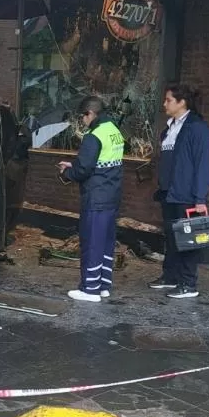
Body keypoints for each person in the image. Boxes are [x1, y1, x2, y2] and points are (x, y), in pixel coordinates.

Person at [57, 96, 124, 302]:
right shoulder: (114, 131)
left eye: (83, 117)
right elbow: (100, 163)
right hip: (112, 196)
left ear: (90, 113)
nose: (83, 121)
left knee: (92, 242)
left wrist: (66, 173)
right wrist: (75, 166)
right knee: (105, 242)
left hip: (95, 198)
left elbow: (84, 169)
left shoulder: (94, 135)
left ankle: (90, 289)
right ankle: (103, 285)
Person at [150, 84, 209, 299]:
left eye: (168, 100)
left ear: (181, 102)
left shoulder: (197, 127)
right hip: (169, 192)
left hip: (186, 194)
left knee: (189, 239)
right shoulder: (169, 128)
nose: (164, 104)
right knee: (171, 236)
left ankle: (188, 283)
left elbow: (202, 163)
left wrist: (200, 198)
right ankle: (170, 276)